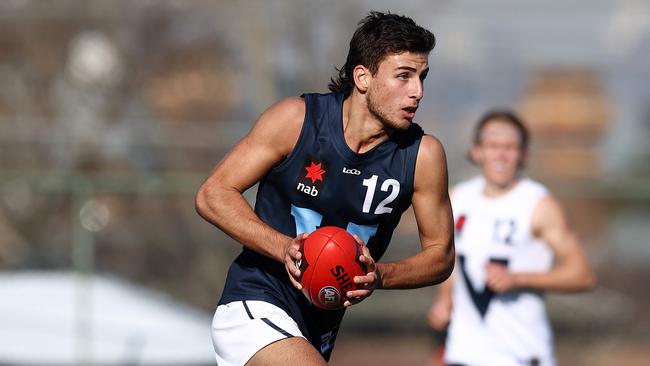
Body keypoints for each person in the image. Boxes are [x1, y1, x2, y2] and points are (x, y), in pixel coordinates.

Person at [195, 11, 455, 366]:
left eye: (422, 77)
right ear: (363, 77)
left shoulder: (422, 156)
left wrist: (380, 275)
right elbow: (213, 195)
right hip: (254, 302)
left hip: (318, 328)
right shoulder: (296, 121)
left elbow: (441, 254)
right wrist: (283, 246)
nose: (418, 92)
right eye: (404, 76)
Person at [427, 110, 597, 366]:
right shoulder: (458, 199)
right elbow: (453, 260)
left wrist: (518, 278)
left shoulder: (538, 204)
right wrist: (444, 300)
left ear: (523, 155)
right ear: (476, 151)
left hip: (520, 354)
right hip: (462, 354)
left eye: (511, 147)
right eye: (493, 145)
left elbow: (582, 275)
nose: (501, 155)